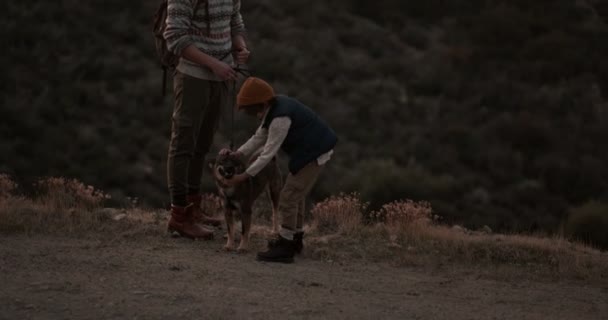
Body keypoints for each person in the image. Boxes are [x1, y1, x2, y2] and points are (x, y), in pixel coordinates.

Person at [221, 77, 338, 263]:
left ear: (262, 103)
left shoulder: (280, 119)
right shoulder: (273, 109)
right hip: (306, 152)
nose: (250, 113)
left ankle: (285, 248)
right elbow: (258, 137)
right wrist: (238, 155)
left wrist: (244, 176)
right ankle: (295, 241)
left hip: (315, 152)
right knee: (296, 196)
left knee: (289, 197)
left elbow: (267, 154)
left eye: (250, 108)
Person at [163, 0, 250, 239]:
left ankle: (194, 207)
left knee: (202, 144)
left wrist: (240, 46)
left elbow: (235, 21)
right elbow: (174, 37)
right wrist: (215, 65)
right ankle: (179, 217)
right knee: (183, 144)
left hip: (221, 76)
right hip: (192, 76)